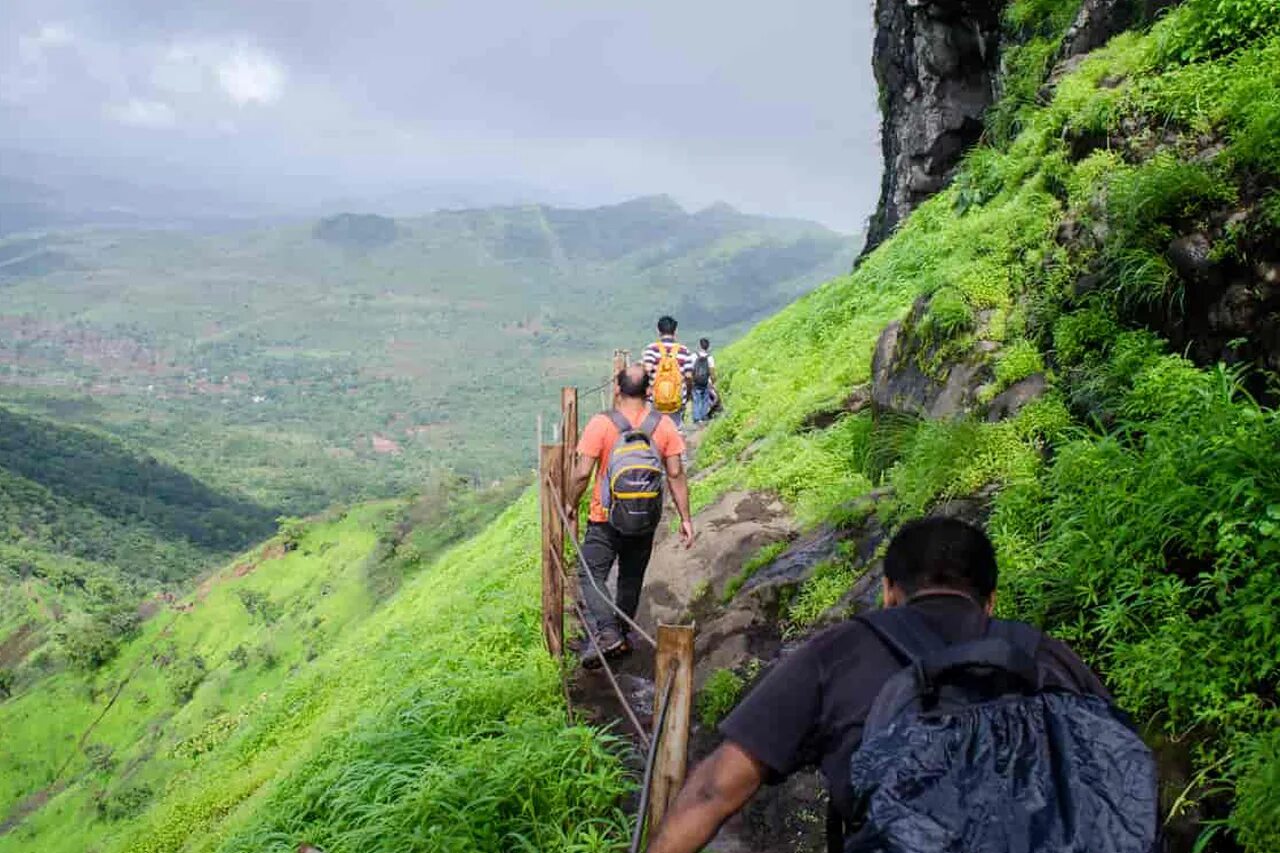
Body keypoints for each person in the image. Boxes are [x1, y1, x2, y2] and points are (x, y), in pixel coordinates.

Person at [646, 517, 1135, 853]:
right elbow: (1116, 775)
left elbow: (715, 790)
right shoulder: (1047, 658)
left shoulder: (840, 653)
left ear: (888, 591)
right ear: (989, 601)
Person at [566, 363, 695, 669]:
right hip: (645, 519)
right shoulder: (663, 426)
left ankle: (609, 634)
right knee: (631, 577)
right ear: (648, 391)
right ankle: (620, 636)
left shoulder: (601, 424)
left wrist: (570, 503)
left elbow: (583, 473)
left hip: (605, 517)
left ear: (616, 390)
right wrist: (686, 519)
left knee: (591, 574)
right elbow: (675, 474)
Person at [642, 315, 694, 430]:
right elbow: (689, 376)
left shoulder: (651, 349)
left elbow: (647, 370)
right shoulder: (684, 350)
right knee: (675, 431)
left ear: (658, 330)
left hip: (655, 399)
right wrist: (688, 394)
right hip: (677, 399)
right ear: (675, 331)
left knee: (654, 431)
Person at [690, 338, 716, 425]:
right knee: (705, 399)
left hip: (695, 382)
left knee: (696, 400)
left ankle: (697, 419)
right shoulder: (710, 358)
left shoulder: (693, 356)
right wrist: (713, 382)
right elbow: (712, 372)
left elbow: (690, 370)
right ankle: (704, 416)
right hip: (705, 382)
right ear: (708, 347)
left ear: (699, 346)